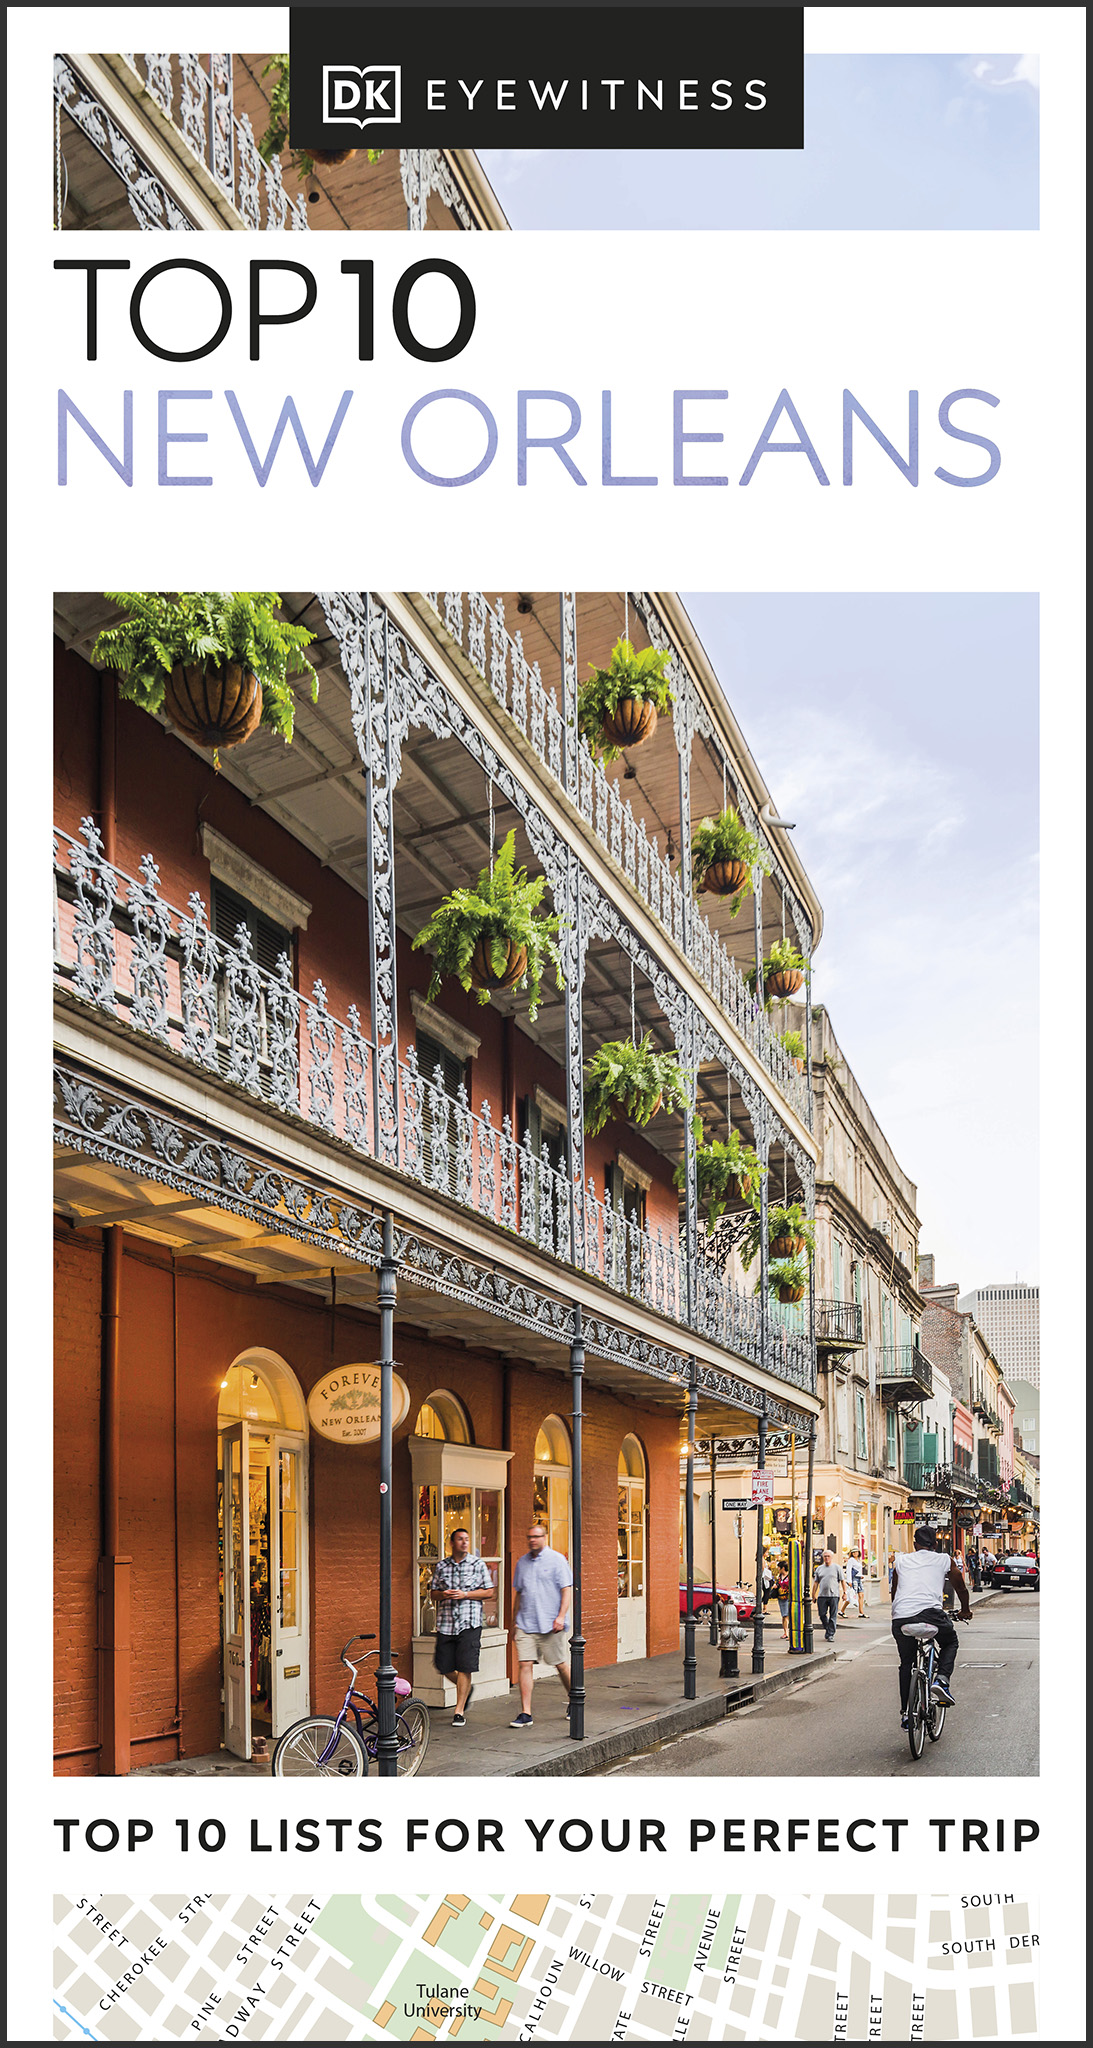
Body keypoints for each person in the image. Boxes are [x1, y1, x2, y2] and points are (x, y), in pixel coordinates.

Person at [890, 1524, 972, 1727]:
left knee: (906, 1663)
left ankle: (907, 1714)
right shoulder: (945, 1559)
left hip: (901, 1617)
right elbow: (960, 1587)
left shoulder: (901, 1561)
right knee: (950, 1642)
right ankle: (941, 1679)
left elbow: (895, 1590)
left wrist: (898, 1612)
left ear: (914, 1544)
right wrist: (965, 1610)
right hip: (931, 1614)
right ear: (935, 1544)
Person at [509, 1522, 573, 1727]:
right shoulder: (522, 1563)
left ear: (544, 1538)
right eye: (529, 1537)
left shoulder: (557, 1561)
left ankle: (575, 1699)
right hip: (526, 1623)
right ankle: (525, 1713)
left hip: (551, 1623)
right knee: (524, 1664)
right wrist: (513, 1622)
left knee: (560, 1664)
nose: (532, 1540)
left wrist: (561, 1616)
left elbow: (566, 1590)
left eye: (536, 1536)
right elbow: (519, 1593)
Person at [430, 1526, 495, 1727]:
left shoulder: (477, 1564)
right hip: (446, 1622)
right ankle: (466, 1688)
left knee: (465, 1666)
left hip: (470, 1622)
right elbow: (433, 1593)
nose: (464, 1542)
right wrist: (444, 1595)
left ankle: (459, 1711)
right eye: (460, 1539)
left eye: (467, 1539)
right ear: (452, 1543)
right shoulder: (442, 1566)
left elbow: (489, 1592)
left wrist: (465, 1594)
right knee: (443, 1665)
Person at [811, 1550, 844, 1641]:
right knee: (822, 1614)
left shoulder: (837, 1568)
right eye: (825, 1556)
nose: (826, 1558)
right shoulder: (819, 1569)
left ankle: (830, 1634)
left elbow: (842, 1580)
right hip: (822, 1595)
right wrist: (813, 1595)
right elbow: (816, 1583)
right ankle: (828, 1628)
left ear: (831, 1557)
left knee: (833, 1615)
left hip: (834, 1595)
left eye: (828, 1556)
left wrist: (845, 1592)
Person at [843, 1551, 865, 1617]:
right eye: (853, 1552)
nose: (855, 1553)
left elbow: (858, 1570)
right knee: (851, 1595)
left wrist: (860, 1575)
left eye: (856, 1552)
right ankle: (842, 1610)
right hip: (854, 1579)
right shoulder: (851, 1560)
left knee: (861, 1595)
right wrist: (849, 1581)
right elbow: (849, 1570)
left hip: (859, 1578)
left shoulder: (858, 1560)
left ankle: (861, 1612)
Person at [776, 1560, 791, 1639]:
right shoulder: (779, 1576)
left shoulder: (789, 1576)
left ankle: (789, 1632)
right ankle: (786, 1632)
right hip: (781, 1598)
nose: (778, 1569)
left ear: (783, 1568)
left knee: (787, 1615)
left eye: (779, 1568)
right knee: (784, 1615)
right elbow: (777, 1584)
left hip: (788, 1597)